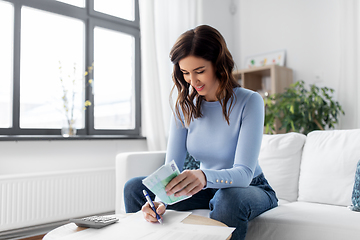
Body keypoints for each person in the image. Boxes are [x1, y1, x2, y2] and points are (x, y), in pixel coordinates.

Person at [124, 24, 278, 240]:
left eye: (200, 71)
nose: (192, 81)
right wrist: (160, 199)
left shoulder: (249, 101)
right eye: (185, 73)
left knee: (227, 199)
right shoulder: (184, 107)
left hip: (248, 188)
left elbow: (244, 174)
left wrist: (204, 176)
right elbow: (171, 170)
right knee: (134, 188)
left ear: (218, 64)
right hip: (204, 187)